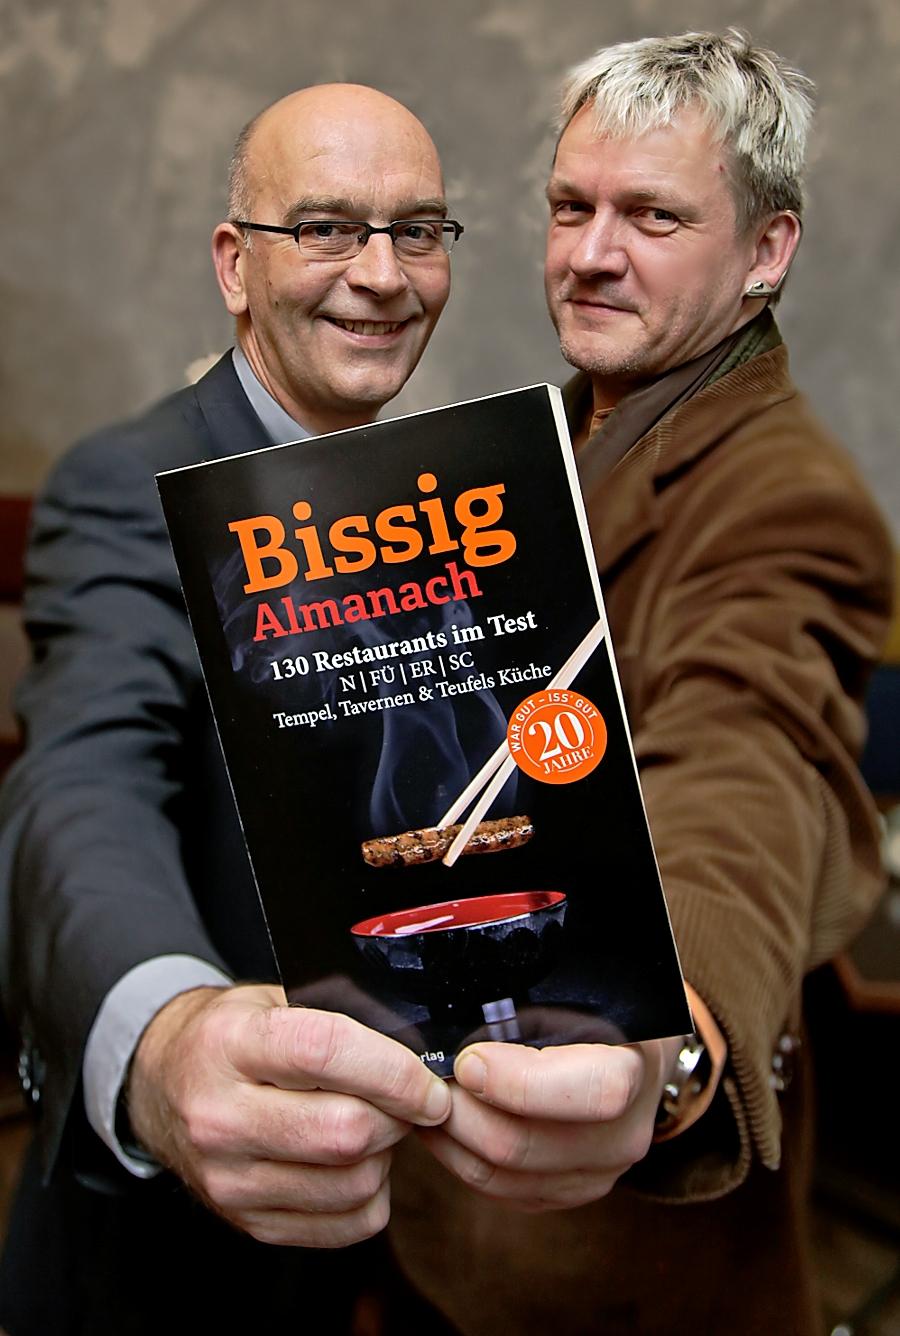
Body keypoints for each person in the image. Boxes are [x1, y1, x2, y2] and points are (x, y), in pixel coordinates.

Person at [0, 31, 893, 1336]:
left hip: (585, 1258)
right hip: (224, 1252)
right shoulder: (500, 462)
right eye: (571, 207)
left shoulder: (774, 493)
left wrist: (675, 1032)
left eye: (653, 216)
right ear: (235, 265)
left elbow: (752, 760)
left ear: (767, 252)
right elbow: (85, 783)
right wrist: (162, 1034)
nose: (592, 254)